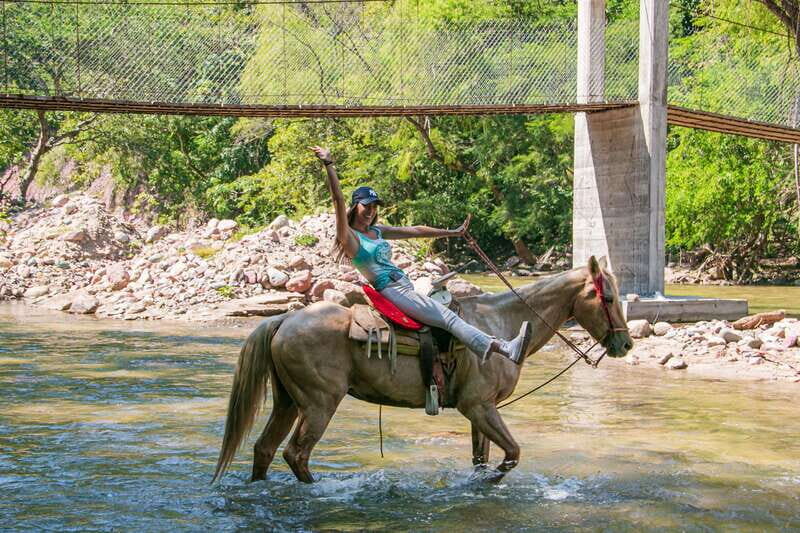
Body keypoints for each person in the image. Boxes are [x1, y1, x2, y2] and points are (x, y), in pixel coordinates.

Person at [311, 146, 532, 364]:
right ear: (354, 206)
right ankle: (503, 348)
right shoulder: (349, 237)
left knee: (448, 299)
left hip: (406, 284)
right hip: (391, 289)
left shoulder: (377, 231)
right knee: (447, 318)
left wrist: (453, 232)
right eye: (366, 206)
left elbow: (415, 230)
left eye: (375, 206)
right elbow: (337, 200)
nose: (371, 211)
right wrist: (329, 164)